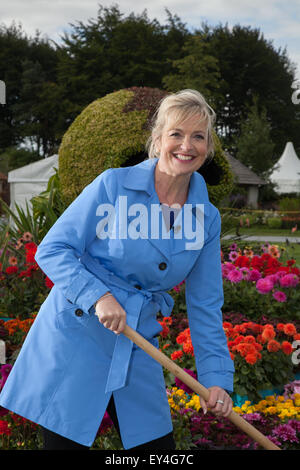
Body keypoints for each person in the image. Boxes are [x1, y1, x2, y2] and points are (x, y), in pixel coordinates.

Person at [0, 89, 235, 450]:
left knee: (156, 451)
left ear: (208, 148)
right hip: (77, 334)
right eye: (176, 134)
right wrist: (98, 295)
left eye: (198, 136)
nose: (186, 145)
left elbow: (205, 304)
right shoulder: (113, 185)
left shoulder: (207, 219)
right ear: (157, 141)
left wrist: (217, 378)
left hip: (138, 345)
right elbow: (53, 249)